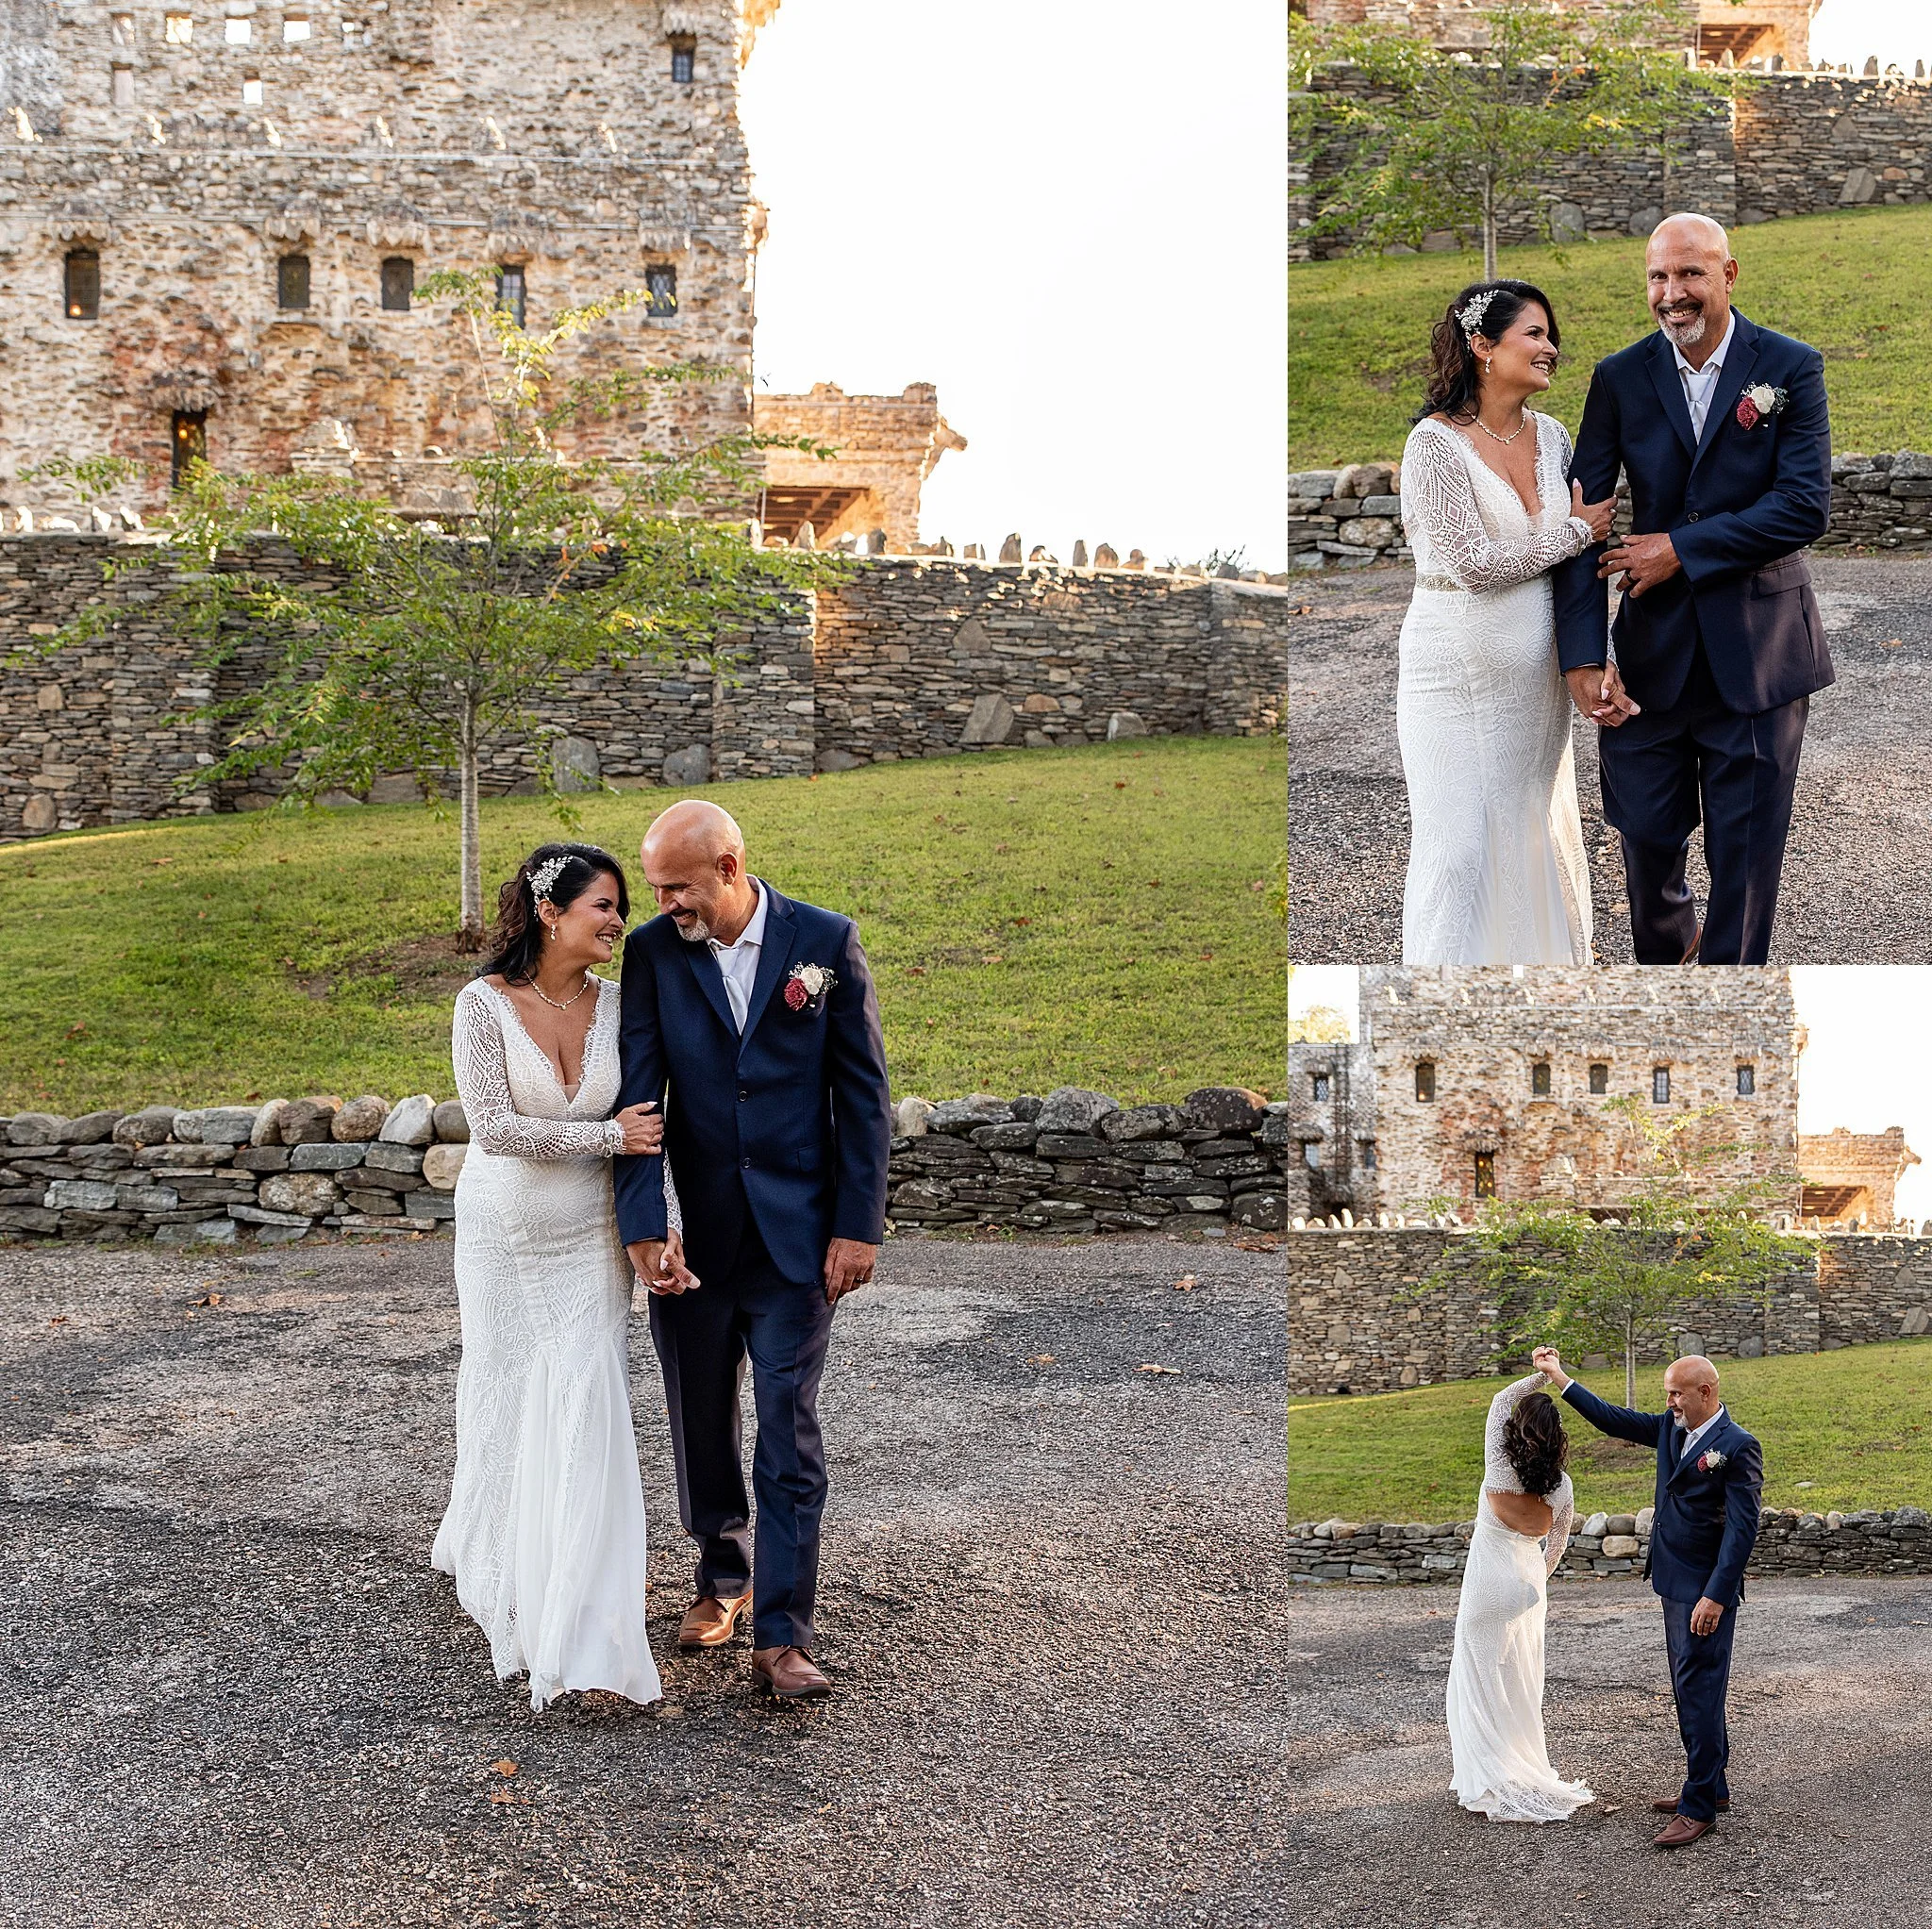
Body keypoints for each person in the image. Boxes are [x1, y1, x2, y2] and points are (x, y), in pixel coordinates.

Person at [612, 800, 893, 1700]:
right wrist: (645, 1228)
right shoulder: (656, 954)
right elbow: (638, 1098)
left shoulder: (826, 940)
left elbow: (864, 1096)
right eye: (654, 887)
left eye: (677, 887)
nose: (662, 905)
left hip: (797, 1244)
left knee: (788, 1426)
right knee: (699, 1419)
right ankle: (721, 1574)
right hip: (692, 1242)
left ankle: (783, 1631)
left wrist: (858, 1225)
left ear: (730, 869)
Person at [432, 842, 688, 1711]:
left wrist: (667, 1228)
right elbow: (496, 1127)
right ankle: (502, 1553)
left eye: (620, 907)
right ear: (551, 911)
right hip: (503, 1234)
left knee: (589, 1392)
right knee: (505, 1385)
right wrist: (607, 1137)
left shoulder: (622, 1006)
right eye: (604, 906)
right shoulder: (482, 1005)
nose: (619, 921)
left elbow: (655, 1129)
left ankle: (581, 1613)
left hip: (590, 1236)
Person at [1553, 213, 1833, 965]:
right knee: (1644, 838)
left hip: (1760, 657)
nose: (1671, 294)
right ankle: (1671, 964)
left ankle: (1717, 1011)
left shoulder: (1791, 367)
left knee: (1744, 868)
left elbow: (1805, 506)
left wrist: (1680, 546)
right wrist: (1580, 654)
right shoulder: (1618, 377)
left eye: (1689, 275)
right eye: (1657, 277)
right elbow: (1581, 519)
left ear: (1728, 275)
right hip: (1651, 656)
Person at [1395, 277, 1623, 965]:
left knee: (1532, 840)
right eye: (1535, 333)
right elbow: (1474, 564)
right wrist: (1577, 533)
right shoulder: (1433, 445)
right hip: (1451, 678)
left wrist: (1590, 654)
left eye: (1552, 336)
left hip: (1533, 685)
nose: (1551, 347)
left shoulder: (1552, 438)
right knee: (1458, 847)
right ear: (1483, 346)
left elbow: (1572, 572)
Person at [1534, 1347, 1764, 1847]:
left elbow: (1743, 1531)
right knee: (1692, 1689)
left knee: (1699, 1692)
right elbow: (1612, 1420)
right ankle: (1713, 1785)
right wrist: (1559, 1377)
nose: (1670, 1402)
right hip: (1671, 1583)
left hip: (1705, 1594)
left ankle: (1699, 1805)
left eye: (1677, 1393)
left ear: (1707, 1391)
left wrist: (1716, 1596)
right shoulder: (1671, 1429)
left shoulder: (1738, 1446)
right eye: (1666, 1393)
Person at [1444, 1372, 1595, 1822]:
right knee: (1519, 1684)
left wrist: (1542, 1374)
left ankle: (1488, 1780)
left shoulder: (1498, 1463)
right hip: (1527, 1587)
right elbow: (1559, 1544)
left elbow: (1500, 1398)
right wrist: (1534, 1581)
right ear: (1557, 1440)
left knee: (1477, 1681)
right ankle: (1520, 1769)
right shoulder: (1562, 1486)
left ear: (1518, 1428)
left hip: (1488, 1586)